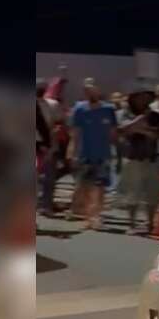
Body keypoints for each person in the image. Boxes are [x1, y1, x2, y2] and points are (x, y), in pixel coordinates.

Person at [68, 77, 117, 230]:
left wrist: (116, 153)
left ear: (98, 90)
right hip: (85, 154)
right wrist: (72, 152)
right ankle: (88, 216)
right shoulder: (79, 109)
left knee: (100, 187)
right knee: (85, 186)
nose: (90, 91)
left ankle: (96, 216)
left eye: (93, 88)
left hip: (103, 154)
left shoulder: (108, 109)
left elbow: (113, 133)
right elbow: (75, 133)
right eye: (87, 89)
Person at [117, 88, 159, 234]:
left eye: (147, 97)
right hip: (133, 157)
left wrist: (144, 130)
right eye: (141, 97)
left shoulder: (155, 115)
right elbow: (123, 130)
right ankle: (132, 224)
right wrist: (140, 122)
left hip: (151, 158)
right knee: (132, 192)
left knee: (153, 193)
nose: (144, 100)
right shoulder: (125, 113)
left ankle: (151, 223)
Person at [36, 79, 60, 215]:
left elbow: (58, 124)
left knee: (49, 178)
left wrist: (52, 143)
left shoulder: (52, 104)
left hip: (49, 145)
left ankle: (46, 205)